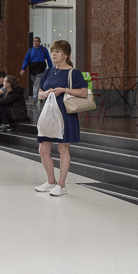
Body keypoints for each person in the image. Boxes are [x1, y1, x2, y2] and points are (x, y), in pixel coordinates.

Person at [34, 40, 88, 197]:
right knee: (43, 149)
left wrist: (64, 90)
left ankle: (62, 185)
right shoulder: (48, 72)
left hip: (65, 113)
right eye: (53, 51)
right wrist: (46, 93)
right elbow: (39, 93)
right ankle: (51, 181)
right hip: (49, 113)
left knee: (63, 148)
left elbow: (84, 92)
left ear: (66, 54)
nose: (53, 54)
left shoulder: (74, 73)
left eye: (57, 51)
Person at [20, 36, 51, 104]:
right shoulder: (30, 51)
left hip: (41, 70)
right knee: (38, 84)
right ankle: (41, 97)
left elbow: (48, 59)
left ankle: (34, 100)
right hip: (33, 71)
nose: (35, 42)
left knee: (36, 85)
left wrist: (50, 68)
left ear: (40, 42)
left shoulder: (44, 50)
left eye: (37, 41)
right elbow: (26, 60)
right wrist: (23, 69)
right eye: (34, 41)